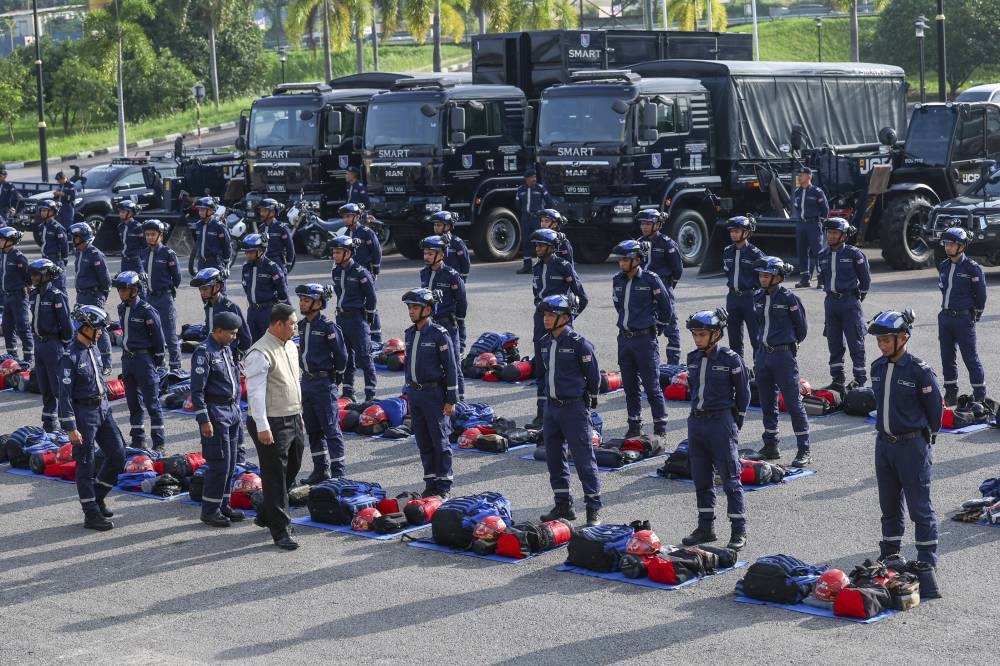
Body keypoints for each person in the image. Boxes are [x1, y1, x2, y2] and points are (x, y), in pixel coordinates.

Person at [868, 309, 942, 569]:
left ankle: (926, 560)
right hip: (884, 445)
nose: (882, 345)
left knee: (919, 508)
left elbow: (936, 410)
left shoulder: (919, 371)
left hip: (912, 446)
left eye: (887, 340)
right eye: (879, 341)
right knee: (888, 505)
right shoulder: (876, 368)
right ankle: (890, 553)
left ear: (903, 338)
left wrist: (923, 439)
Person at [680, 308, 750, 551]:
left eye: (702, 334)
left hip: (721, 422)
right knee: (701, 477)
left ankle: (738, 530)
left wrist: (733, 424)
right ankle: (705, 527)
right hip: (697, 422)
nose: (697, 339)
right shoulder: (692, 358)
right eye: (695, 334)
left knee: (730, 478)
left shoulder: (731, 359)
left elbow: (743, 394)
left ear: (717, 334)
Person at [535, 294, 602, 526]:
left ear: (565, 317)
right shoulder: (545, 342)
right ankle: (563, 504)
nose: (546, 319)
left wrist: (589, 400)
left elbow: (594, 377)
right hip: (552, 410)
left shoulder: (579, 343)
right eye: (545, 314)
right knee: (554, 459)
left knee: (584, 460)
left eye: (551, 315)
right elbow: (543, 376)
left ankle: (593, 509)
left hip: (574, 409)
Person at [58, 305, 126, 532]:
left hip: (103, 409)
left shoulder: (93, 348)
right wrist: (70, 427)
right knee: (85, 464)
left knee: (118, 454)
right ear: (84, 328)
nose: (101, 333)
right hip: (83, 414)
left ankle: (97, 496)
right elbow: (64, 395)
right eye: (97, 329)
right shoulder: (70, 356)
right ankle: (90, 514)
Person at [244, 303, 306, 551]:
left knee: (293, 466)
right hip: (270, 422)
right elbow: (255, 395)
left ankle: (267, 511)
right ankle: (281, 531)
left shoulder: (290, 346)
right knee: (275, 476)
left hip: (292, 416)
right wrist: (262, 426)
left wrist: (299, 413)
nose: (295, 327)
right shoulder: (259, 353)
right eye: (292, 323)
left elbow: (294, 381)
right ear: (277, 324)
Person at [609, 239, 673, 442]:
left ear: (638, 260)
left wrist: (657, 328)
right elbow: (619, 306)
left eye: (626, 259)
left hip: (645, 340)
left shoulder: (650, 279)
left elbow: (666, 308)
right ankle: (634, 425)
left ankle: (660, 427)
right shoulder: (617, 280)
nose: (621, 263)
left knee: (651, 386)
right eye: (621, 259)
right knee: (629, 386)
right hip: (624, 339)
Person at [750, 256, 811, 468]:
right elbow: (757, 325)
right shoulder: (757, 296)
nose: (762, 278)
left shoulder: (789, 298)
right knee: (767, 402)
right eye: (760, 275)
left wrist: (787, 345)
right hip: (762, 355)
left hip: (783, 356)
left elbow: (801, 329)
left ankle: (804, 449)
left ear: (777, 277)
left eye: (766, 275)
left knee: (793, 403)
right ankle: (770, 446)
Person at [190, 312, 246, 528]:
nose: (234, 337)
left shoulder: (225, 349)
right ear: (219, 331)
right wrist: (204, 420)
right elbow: (197, 391)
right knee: (219, 463)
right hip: (216, 413)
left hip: (231, 411)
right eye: (231, 333)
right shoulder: (204, 353)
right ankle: (210, 510)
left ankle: (223, 504)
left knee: (231, 463)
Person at [402, 289, 459, 499]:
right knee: (423, 440)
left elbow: (451, 368)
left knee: (440, 440)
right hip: (415, 394)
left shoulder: (439, 334)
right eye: (409, 307)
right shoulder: (409, 333)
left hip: (434, 394)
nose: (411, 311)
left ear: (428, 309)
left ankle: (444, 484)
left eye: (415, 307)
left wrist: (451, 399)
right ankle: (431, 480)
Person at [528, 228, 588, 428]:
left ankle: (565, 412)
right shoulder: (537, 268)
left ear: (552, 247)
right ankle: (541, 414)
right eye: (536, 245)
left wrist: (567, 320)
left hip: (560, 323)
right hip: (541, 321)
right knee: (541, 369)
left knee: (561, 367)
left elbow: (582, 297)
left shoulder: (563, 266)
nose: (537, 248)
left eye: (541, 245)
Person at [296, 283, 348, 485]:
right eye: (301, 299)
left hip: (323, 383)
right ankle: (320, 469)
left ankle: (338, 474)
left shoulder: (328, 327)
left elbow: (342, 355)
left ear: (318, 303)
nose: (301, 303)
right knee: (313, 429)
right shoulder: (301, 325)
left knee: (331, 430)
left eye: (306, 300)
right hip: (307, 382)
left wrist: (336, 377)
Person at [113, 271, 166, 452]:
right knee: (133, 403)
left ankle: (159, 443)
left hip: (144, 360)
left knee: (152, 403)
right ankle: (138, 440)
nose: (120, 293)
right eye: (119, 289)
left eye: (124, 289)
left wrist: (156, 361)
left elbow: (159, 339)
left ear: (135, 290)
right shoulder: (121, 308)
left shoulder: (147, 311)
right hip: (128, 360)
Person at [817, 217, 871, 390]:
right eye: (829, 232)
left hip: (849, 302)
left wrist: (856, 298)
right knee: (834, 343)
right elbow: (822, 278)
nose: (831, 236)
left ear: (844, 235)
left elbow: (865, 280)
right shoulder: (822, 255)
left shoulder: (854, 254)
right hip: (831, 302)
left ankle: (860, 379)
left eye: (835, 233)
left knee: (856, 341)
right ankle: (837, 379)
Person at [936, 227, 987, 406]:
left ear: (962, 246)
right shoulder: (943, 266)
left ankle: (980, 396)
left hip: (963, 319)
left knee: (970, 358)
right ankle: (951, 393)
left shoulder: (972, 268)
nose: (948, 247)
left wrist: (976, 314)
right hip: (945, 318)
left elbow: (980, 295)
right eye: (946, 244)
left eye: (952, 244)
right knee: (947, 357)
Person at [419, 235, 468, 401]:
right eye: (425, 253)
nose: (426, 257)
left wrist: (459, 324)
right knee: (430, 362)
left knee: (452, 364)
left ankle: (459, 400)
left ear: (441, 254)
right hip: (428, 324)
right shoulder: (424, 273)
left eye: (430, 253)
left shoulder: (452, 275)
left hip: (447, 323)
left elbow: (461, 301)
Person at [330, 235, 378, 402]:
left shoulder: (360, 273)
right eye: (334, 252)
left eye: (338, 252)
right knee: (345, 357)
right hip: (342, 319)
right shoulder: (336, 271)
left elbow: (371, 297)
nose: (334, 256)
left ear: (348, 253)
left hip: (357, 319)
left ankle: (370, 393)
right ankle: (348, 390)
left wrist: (369, 317)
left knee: (364, 356)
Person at [29, 259, 72, 432]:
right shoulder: (34, 294)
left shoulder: (56, 295)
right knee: (44, 386)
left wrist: (65, 345)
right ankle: (49, 423)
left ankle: (66, 425)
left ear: (46, 276)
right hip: (39, 345)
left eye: (36, 274)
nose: (32, 277)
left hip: (53, 345)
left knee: (57, 387)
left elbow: (66, 324)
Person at [636, 209, 684, 364]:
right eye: (642, 223)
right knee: (645, 329)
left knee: (671, 328)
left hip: (664, 288)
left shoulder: (667, 243)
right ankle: (650, 364)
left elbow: (677, 270)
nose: (644, 227)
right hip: (644, 292)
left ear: (657, 224)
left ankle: (673, 365)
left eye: (648, 223)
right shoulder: (639, 243)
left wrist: (667, 287)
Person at [139, 219, 183, 371]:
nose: (150, 237)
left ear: (161, 235)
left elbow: (177, 278)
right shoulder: (143, 253)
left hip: (164, 298)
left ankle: (175, 366)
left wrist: (168, 291)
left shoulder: (168, 253)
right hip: (149, 298)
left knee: (170, 335)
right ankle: (160, 365)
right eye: (147, 235)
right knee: (154, 334)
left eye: (153, 234)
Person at [70, 222, 112, 374]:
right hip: (82, 295)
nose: (73, 239)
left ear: (83, 237)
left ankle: (106, 363)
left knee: (99, 328)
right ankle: (88, 359)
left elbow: (106, 281)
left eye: (76, 236)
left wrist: (101, 298)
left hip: (94, 296)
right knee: (81, 327)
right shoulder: (79, 253)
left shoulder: (95, 254)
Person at [722, 215, 766, 361]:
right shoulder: (727, 251)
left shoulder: (756, 254)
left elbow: (765, 276)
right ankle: (738, 370)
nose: (733, 234)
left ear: (746, 232)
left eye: (737, 231)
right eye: (731, 231)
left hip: (750, 298)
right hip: (732, 297)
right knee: (734, 339)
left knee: (756, 338)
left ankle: (759, 370)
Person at [339, 203, 382, 343]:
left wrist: (375, 270)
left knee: (370, 302)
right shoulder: (345, 234)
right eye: (344, 217)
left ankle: (376, 338)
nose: (345, 220)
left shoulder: (366, 232)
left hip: (365, 273)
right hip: (350, 274)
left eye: (348, 216)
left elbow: (376, 251)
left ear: (357, 217)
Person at [191, 267, 252, 361]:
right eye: (200, 289)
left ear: (217, 287)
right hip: (210, 356)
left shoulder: (231, 307)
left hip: (226, 358)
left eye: (205, 288)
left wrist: (234, 354)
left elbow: (246, 339)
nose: (202, 292)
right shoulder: (208, 306)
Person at [240, 233, 289, 341]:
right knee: (253, 344)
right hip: (252, 311)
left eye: (251, 252)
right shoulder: (246, 267)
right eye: (246, 252)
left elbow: (282, 290)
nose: (248, 255)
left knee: (270, 343)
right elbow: (246, 287)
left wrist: (285, 313)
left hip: (268, 311)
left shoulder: (271, 267)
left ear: (261, 250)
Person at [790, 167, 829, 288]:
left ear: (808, 176)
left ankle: (821, 279)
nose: (799, 177)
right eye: (799, 175)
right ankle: (805, 279)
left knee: (818, 252)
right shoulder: (797, 192)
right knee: (801, 252)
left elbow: (825, 209)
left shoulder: (817, 192)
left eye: (801, 175)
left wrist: (820, 221)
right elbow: (796, 208)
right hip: (801, 224)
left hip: (813, 224)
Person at [0, 227, 34, 365]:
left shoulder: (19, 257)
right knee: (7, 328)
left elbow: (29, 277)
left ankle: (28, 359)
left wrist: (24, 288)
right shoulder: (3, 255)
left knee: (23, 328)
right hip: (6, 297)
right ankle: (11, 357)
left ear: (10, 241)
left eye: (1, 239)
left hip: (18, 298)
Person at [515, 168, 556, 274]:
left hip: (537, 218)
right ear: (526, 179)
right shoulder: (521, 190)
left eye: (534, 177)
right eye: (531, 177)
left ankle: (542, 265)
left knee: (540, 241)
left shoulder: (540, 188)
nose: (534, 179)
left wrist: (544, 215)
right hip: (525, 218)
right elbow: (518, 205)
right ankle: (527, 266)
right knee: (526, 241)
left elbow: (549, 202)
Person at [193, 196, 232, 277]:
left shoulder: (219, 226)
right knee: (203, 288)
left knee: (217, 288)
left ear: (211, 210)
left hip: (216, 264)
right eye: (199, 210)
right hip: (202, 264)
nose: (200, 212)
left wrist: (227, 265)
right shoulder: (198, 225)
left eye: (203, 210)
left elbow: (226, 245)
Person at [37, 200, 70, 291]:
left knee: (59, 287)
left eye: (45, 210)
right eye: (41, 210)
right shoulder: (41, 226)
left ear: (52, 212)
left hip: (55, 260)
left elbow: (64, 244)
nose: (42, 213)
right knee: (46, 288)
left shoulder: (57, 227)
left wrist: (65, 259)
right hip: (45, 259)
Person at [430, 211, 471, 281]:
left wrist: (462, 279)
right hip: (438, 279)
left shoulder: (457, 243)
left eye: (439, 225)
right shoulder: (432, 242)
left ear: (448, 226)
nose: (436, 227)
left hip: (453, 280)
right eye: (435, 225)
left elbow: (465, 262)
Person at [258, 198, 295, 273]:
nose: (261, 213)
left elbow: (290, 248)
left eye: (264, 211)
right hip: (263, 264)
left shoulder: (282, 228)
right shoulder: (261, 228)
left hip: (278, 264)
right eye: (261, 211)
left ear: (273, 212)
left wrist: (288, 265)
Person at [117, 200, 144, 275]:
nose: (120, 214)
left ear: (131, 213)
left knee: (140, 283)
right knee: (124, 284)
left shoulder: (138, 227)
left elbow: (144, 246)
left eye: (123, 212)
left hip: (136, 262)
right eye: (120, 212)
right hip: (124, 262)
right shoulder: (120, 226)